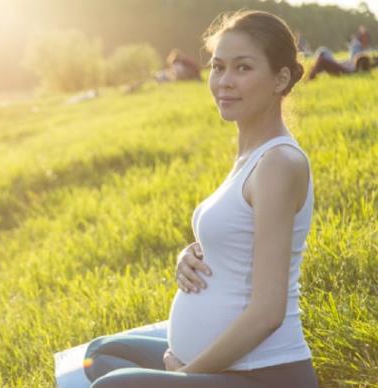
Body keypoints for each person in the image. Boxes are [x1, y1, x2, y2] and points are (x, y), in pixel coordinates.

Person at [82, 10, 320, 387]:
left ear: (281, 78)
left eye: (243, 68)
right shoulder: (250, 157)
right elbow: (241, 242)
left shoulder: (279, 162)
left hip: (264, 375)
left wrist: (189, 374)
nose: (224, 82)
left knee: (110, 385)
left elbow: (268, 312)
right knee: (100, 355)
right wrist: (190, 255)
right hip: (210, 364)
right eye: (218, 67)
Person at [306, 34, 372, 80]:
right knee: (322, 51)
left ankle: (309, 77)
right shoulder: (356, 66)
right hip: (341, 66)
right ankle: (310, 74)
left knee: (322, 58)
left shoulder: (354, 70)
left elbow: (348, 68)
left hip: (343, 70)